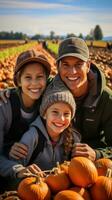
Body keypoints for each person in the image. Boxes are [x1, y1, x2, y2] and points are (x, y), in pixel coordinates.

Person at [1, 37, 112, 162]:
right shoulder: (51, 87)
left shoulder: (107, 99)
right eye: (65, 64)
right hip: (60, 160)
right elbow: (30, 86)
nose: (72, 71)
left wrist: (98, 154)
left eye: (78, 64)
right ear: (57, 66)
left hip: (93, 164)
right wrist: (8, 92)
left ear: (88, 65)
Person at [0, 77, 80, 190]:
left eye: (66, 114)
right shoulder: (32, 137)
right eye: (55, 112)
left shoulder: (73, 138)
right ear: (44, 114)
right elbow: (14, 173)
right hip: (35, 189)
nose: (61, 118)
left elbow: (80, 170)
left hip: (61, 191)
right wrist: (22, 172)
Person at [0, 49, 51, 193]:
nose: (34, 83)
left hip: (31, 166)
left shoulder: (47, 103)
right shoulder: (4, 106)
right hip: (7, 167)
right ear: (18, 81)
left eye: (39, 77)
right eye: (28, 77)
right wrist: (17, 169)